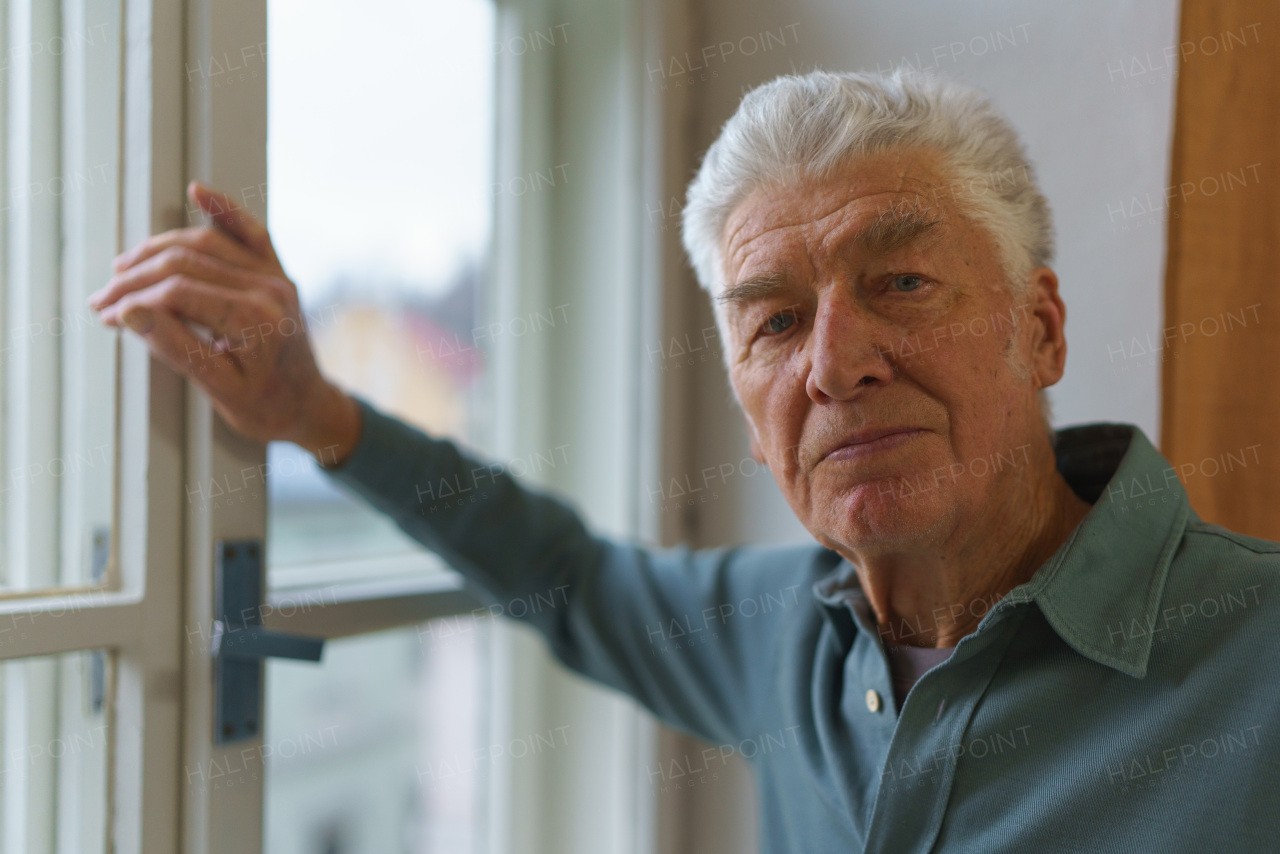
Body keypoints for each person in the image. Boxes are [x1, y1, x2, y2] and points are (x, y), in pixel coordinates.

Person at [89, 69, 1278, 852]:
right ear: (749, 411)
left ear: (1041, 327)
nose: (832, 362)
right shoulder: (780, 638)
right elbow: (570, 574)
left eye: (900, 281)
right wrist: (312, 411)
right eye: (770, 319)